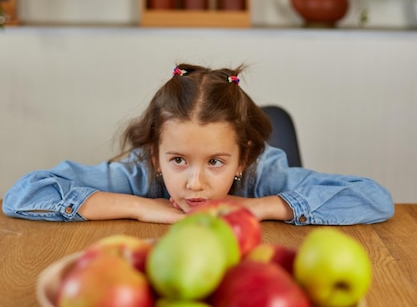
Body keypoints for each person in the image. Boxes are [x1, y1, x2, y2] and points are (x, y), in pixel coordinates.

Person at [2, 63, 394, 225]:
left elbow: (374, 198)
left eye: (216, 162)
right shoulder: (139, 174)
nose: (194, 183)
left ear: (245, 156)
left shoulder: (264, 173)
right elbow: (21, 195)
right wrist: (144, 208)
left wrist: (258, 207)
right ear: (155, 156)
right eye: (177, 160)